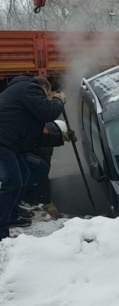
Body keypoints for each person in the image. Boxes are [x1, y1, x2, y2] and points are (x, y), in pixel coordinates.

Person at [0, 75, 66, 241]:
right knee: (12, 182)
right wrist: (58, 100)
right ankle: (1, 227)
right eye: (47, 96)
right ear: (44, 88)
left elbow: (34, 138)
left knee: (23, 176)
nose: (45, 99)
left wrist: (60, 138)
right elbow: (49, 112)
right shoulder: (29, 88)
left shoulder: (25, 99)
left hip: (9, 142)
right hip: (3, 141)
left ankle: (12, 216)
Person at [22, 119, 77, 219]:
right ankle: (24, 202)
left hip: (13, 151)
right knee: (37, 172)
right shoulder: (46, 146)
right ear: (58, 133)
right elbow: (43, 175)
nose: (63, 142)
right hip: (15, 156)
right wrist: (46, 202)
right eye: (63, 139)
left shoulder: (44, 125)